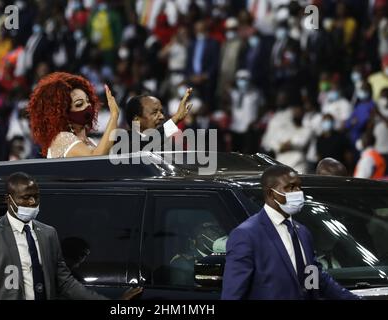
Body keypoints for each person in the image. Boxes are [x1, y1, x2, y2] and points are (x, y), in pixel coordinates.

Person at [0, 172, 142, 300]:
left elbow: (65, 282)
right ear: (8, 200)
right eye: (26, 197)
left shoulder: (48, 234)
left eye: (36, 196)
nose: (33, 202)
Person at [221, 165, 359, 300]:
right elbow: (233, 293)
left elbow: (315, 277)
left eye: (299, 187)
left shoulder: (303, 232)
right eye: (291, 187)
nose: (298, 192)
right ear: (270, 193)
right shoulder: (247, 235)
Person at [27, 72, 120, 158]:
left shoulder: (90, 141)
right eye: (79, 104)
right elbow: (96, 159)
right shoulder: (62, 138)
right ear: (63, 113)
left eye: (88, 101)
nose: (87, 106)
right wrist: (114, 116)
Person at [120, 88, 193, 151]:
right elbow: (146, 144)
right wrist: (176, 118)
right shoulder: (124, 142)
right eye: (154, 113)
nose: (162, 117)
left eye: (162, 112)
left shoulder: (167, 145)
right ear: (137, 120)